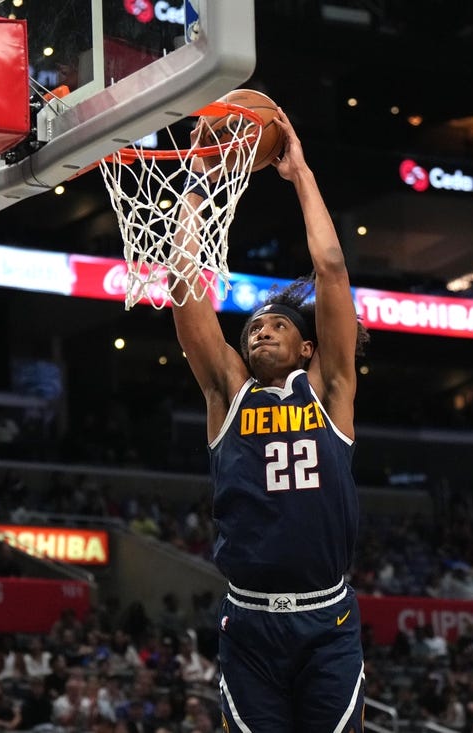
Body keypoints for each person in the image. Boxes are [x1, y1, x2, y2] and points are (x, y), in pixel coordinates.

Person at [169, 107, 368, 732]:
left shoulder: (330, 391)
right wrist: (199, 182)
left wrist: (301, 173)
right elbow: (184, 283)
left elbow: (331, 270)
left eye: (277, 323)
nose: (260, 329)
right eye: (253, 326)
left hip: (326, 619)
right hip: (249, 621)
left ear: (306, 348)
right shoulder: (227, 394)